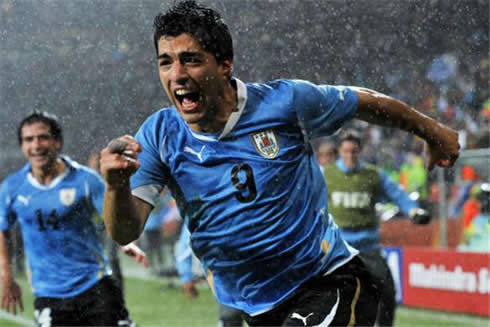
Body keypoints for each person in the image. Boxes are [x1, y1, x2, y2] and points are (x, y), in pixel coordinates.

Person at [100, 1, 460, 326]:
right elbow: (125, 232)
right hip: (256, 309)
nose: (177, 74)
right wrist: (116, 187)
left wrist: (432, 131)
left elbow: (363, 102)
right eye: (166, 62)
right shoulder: (159, 135)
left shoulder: (284, 103)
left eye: (191, 59)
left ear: (224, 65)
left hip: (327, 280)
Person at [0, 111, 147, 326]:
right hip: (48, 293)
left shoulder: (85, 180)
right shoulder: (12, 188)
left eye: (43, 137)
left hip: (94, 286)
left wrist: (125, 241)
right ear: (22, 146)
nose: (36, 145)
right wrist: (6, 275)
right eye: (29, 140)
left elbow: (111, 215)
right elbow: (2, 228)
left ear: (57, 142)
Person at [322, 129, 430, 326]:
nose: (350, 156)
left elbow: (397, 194)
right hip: (339, 249)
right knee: (330, 299)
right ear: (340, 151)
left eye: (354, 151)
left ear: (360, 151)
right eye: (346, 151)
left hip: (368, 249)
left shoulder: (373, 175)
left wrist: (414, 211)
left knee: (387, 291)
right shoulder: (327, 175)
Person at [176, 226, 244, 327]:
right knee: (231, 315)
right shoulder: (200, 215)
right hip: (227, 273)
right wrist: (186, 277)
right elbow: (185, 243)